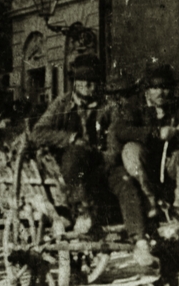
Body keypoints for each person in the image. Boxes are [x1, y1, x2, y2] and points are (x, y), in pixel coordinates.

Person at [111, 63, 179, 267]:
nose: (161, 92)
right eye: (156, 87)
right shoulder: (134, 106)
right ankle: (149, 201)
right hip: (145, 170)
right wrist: (154, 134)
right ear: (147, 89)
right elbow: (121, 130)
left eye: (166, 87)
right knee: (130, 149)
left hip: (171, 169)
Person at [30, 55, 120, 251]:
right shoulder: (61, 105)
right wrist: (69, 138)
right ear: (76, 83)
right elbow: (37, 133)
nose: (91, 87)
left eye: (95, 83)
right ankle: (81, 211)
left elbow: (115, 137)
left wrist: (108, 158)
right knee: (74, 154)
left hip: (98, 165)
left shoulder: (107, 106)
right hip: (69, 170)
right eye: (86, 82)